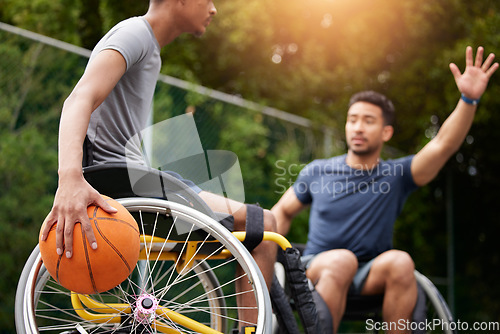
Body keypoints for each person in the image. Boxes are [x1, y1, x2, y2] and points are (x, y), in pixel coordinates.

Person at [39, 0, 276, 331]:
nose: (213, 9)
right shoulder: (135, 33)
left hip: (134, 180)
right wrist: (69, 178)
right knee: (263, 224)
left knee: (260, 229)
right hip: (127, 183)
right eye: (208, 0)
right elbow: (79, 98)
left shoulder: (148, 46)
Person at [271, 46, 498, 334]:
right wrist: (270, 261)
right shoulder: (317, 171)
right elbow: (281, 213)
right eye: (352, 119)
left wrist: (468, 99)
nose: (358, 127)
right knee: (342, 259)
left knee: (401, 261)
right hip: (318, 267)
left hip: (370, 274)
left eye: (368, 121)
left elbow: (443, 145)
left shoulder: (397, 174)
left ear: (386, 132)